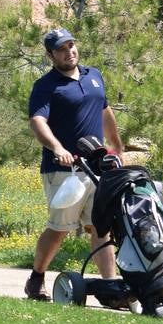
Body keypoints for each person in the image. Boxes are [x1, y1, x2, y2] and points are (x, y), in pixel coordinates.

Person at [24, 27, 124, 300]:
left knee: (100, 228)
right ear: (50, 55)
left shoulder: (94, 76)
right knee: (60, 229)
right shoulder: (46, 86)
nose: (69, 52)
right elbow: (37, 122)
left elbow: (104, 110)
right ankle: (37, 278)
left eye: (71, 46)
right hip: (64, 171)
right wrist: (58, 148)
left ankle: (111, 287)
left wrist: (117, 146)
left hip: (98, 168)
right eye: (61, 49)